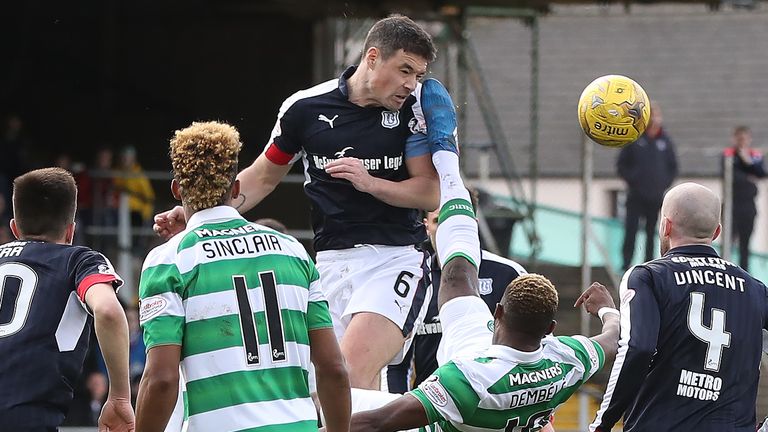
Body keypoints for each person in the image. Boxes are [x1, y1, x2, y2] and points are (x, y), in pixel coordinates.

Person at [153, 15, 443, 390]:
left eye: (418, 75)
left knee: (348, 374)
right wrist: (199, 213)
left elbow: (429, 191)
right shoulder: (304, 109)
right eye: (405, 70)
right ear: (372, 57)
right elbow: (262, 177)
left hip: (397, 257)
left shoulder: (413, 111)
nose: (411, 84)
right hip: (330, 262)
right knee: (328, 388)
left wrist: (370, 183)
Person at [332, 103, 620, 430]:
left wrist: (608, 312)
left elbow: (375, 423)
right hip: (484, 374)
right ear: (551, 330)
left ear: (497, 312)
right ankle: (445, 156)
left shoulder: (469, 378)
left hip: (445, 405)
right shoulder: (566, 360)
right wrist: (610, 314)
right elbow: (613, 338)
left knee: (320, 399)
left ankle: (446, 153)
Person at [135, 121, 351, 432]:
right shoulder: (292, 251)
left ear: (177, 190)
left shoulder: (169, 261)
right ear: (236, 188)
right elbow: (333, 369)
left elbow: (162, 380)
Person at [590, 182, 768, 431]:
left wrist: (602, 423)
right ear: (716, 232)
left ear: (665, 225)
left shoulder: (648, 276)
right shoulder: (756, 289)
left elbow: (638, 348)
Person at [0, 167, 134, 431]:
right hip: (25, 419)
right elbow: (108, 311)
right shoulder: (78, 260)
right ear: (71, 231)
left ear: (14, 228)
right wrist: (119, 397)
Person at [386, 201, 527, 393]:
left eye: (452, 221)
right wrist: (401, 416)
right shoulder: (411, 278)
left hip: (494, 403)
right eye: (438, 222)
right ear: (426, 226)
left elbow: (534, 343)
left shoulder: (508, 274)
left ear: (472, 224)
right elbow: (397, 365)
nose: (446, 231)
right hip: (433, 408)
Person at [617, 102, 678, 270]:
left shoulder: (665, 141)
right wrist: (634, 180)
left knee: (653, 232)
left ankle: (649, 264)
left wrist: (662, 184)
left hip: (655, 196)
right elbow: (622, 165)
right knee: (631, 229)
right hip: (636, 195)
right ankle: (626, 263)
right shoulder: (635, 138)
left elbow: (672, 167)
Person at [722, 125, 765, 270]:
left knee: (745, 245)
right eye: (739, 138)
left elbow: (761, 173)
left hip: (748, 206)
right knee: (728, 243)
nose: (742, 142)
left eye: (745, 138)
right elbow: (731, 177)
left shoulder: (754, 156)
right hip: (732, 205)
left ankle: (744, 274)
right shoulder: (729, 155)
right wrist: (749, 175)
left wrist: (748, 162)